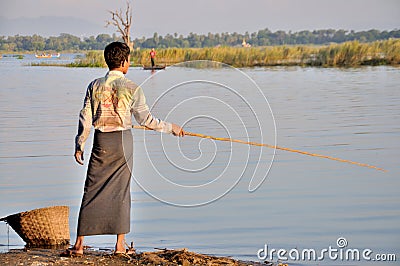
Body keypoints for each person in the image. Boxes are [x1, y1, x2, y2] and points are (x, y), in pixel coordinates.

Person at [62, 42, 184, 257]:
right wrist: (171, 128)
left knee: (91, 189)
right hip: (122, 141)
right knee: (121, 191)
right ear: (124, 62)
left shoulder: (94, 85)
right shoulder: (132, 87)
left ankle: (79, 245)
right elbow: (146, 120)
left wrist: (79, 144)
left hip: (101, 142)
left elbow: (85, 118)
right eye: (129, 60)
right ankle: (119, 246)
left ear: (108, 61)